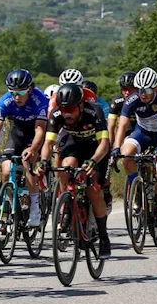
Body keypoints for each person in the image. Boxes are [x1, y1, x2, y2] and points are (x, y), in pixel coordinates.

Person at [37, 83, 111, 257]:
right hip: (73, 144)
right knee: (66, 166)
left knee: (94, 190)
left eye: (70, 109)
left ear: (81, 105)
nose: (67, 114)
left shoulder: (94, 112)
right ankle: (68, 203)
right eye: (63, 109)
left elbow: (104, 144)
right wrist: (43, 162)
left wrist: (93, 161)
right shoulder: (57, 114)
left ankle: (103, 236)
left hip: (95, 149)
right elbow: (48, 143)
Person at [111, 68, 157, 239]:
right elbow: (122, 125)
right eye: (139, 90)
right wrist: (116, 148)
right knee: (126, 157)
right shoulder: (132, 99)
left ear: (155, 88)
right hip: (142, 133)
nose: (142, 94)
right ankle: (137, 189)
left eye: (146, 91)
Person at [0, 69, 48, 227]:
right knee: (6, 170)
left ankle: (35, 207)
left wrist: (34, 149)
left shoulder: (40, 99)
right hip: (17, 133)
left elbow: (40, 130)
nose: (16, 97)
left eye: (21, 92)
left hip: (35, 133)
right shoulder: (5, 101)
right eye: (12, 93)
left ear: (29, 89)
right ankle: (11, 204)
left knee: (27, 161)